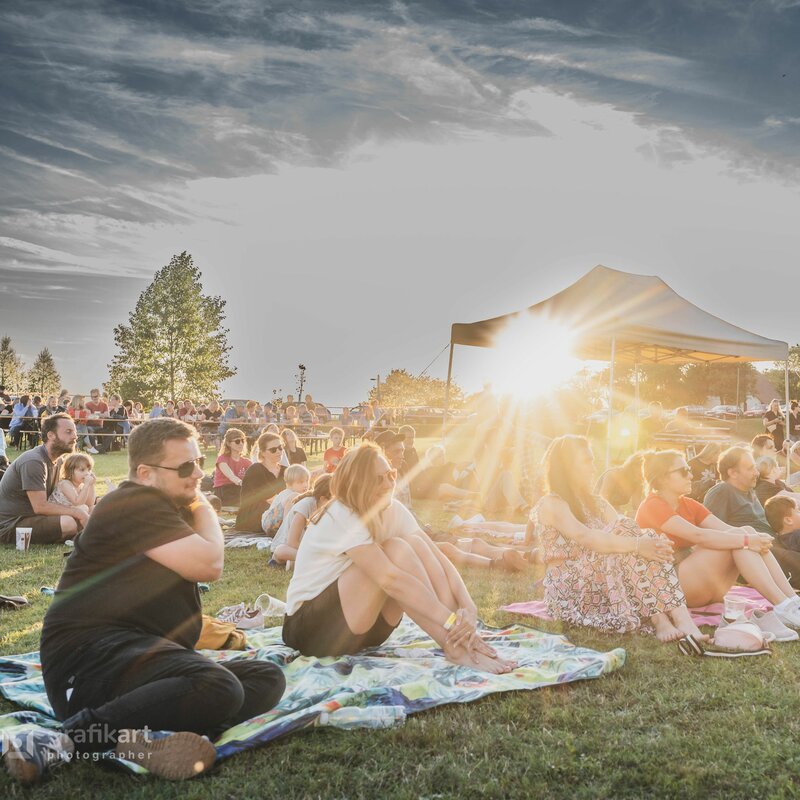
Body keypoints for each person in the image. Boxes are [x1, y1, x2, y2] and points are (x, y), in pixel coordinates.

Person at [5, 418, 286, 783]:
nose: (198, 474)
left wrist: (192, 497)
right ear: (145, 473)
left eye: (199, 462)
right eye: (185, 467)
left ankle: (135, 737)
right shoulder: (134, 503)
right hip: (88, 663)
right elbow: (209, 563)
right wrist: (203, 504)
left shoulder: (162, 505)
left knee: (266, 677)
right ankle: (64, 739)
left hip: (134, 657)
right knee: (220, 686)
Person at [282, 443, 515, 673]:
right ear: (357, 483)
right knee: (390, 558)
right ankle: (453, 644)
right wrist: (450, 620)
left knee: (406, 545)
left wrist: (467, 607)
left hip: (365, 631)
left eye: (390, 475)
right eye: (378, 479)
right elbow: (391, 580)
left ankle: (461, 641)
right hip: (311, 631)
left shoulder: (391, 508)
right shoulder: (342, 514)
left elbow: (437, 558)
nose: (388, 484)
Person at [533, 435, 705, 643]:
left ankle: (680, 618)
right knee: (632, 536)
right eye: (587, 461)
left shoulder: (597, 503)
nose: (593, 467)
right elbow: (585, 537)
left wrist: (649, 543)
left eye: (592, 460)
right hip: (569, 586)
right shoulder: (552, 503)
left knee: (642, 534)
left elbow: (628, 531)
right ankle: (661, 619)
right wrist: (639, 545)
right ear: (567, 466)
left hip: (601, 579)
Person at [635, 450, 800, 623]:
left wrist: (753, 538)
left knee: (746, 531)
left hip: (702, 585)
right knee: (742, 539)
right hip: (670, 586)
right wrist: (747, 540)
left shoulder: (689, 504)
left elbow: (727, 530)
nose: (690, 476)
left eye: (689, 470)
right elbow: (698, 536)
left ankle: (792, 600)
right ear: (662, 478)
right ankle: (783, 605)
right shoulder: (652, 505)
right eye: (683, 471)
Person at [704, 445, 800, 588]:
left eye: (755, 467)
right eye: (750, 469)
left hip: (774, 546)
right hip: (755, 553)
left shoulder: (750, 491)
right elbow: (711, 532)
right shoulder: (722, 491)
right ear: (733, 473)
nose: (757, 473)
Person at [0, 413, 86, 544]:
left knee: (88, 510)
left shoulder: (58, 461)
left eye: (74, 432)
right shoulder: (34, 461)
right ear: (51, 435)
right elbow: (40, 506)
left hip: (35, 517)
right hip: (11, 524)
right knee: (69, 523)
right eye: (68, 432)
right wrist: (77, 513)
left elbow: (68, 494)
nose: (75, 436)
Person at [272, 474, 333, 567]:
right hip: (289, 546)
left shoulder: (324, 508)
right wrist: (315, 551)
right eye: (334, 501)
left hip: (306, 547)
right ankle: (313, 559)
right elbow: (292, 542)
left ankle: (310, 559)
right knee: (280, 550)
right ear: (323, 498)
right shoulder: (304, 506)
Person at [235, 431, 286, 533]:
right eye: (273, 450)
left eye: (280, 447)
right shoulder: (255, 470)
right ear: (263, 453)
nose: (278, 451)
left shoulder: (285, 470)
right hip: (253, 516)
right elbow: (270, 499)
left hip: (278, 511)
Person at [262, 463, 311, 543]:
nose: (305, 485)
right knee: (293, 497)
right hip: (269, 523)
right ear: (289, 484)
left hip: (280, 525)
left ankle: (294, 533)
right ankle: (285, 534)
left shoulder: (303, 495)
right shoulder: (288, 493)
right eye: (300, 482)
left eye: (307, 481)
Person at [213, 428, 252, 507]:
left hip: (238, 488)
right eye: (237, 441)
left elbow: (255, 474)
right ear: (228, 443)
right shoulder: (222, 459)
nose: (241, 443)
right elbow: (231, 476)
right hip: (224, 490)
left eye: (242, 441)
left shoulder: (246, 462)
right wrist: (242, 483)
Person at [49, 453, 96, 517]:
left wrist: (91, 485)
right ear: (70, 471)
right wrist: (86, 485)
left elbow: (89, 504)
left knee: (93, 508)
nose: (87, 473)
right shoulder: (65, 484)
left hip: (72, 510)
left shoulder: (81, 486)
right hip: (57, 513)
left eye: (89, 470)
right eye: (82, 470)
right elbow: (77, 503)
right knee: (83, 508)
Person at [85, 388, 109, 453]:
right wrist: (101, 415)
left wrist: (96, 415)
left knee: (112, 432)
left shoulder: (104, 405)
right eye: (92, 397)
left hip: (100, 426)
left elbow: (107, 415)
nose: (94, 398)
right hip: (90, 425)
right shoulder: (87, 404)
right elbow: (88, 415)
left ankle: (101, 448)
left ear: (99, 395)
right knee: (89, 430)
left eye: (95, 396)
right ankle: (94, 449)